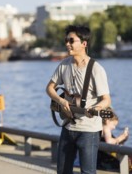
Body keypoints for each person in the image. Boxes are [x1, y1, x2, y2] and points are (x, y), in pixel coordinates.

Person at [46, 25, 111, 174]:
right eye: (66, 40)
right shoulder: (64, 65)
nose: (67, 44)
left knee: (87, 172)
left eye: (71, 40)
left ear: (84, 44)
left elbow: (106, 99)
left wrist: (97, 109)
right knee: (62, 171)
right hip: (68, 127)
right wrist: (61, 101)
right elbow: (49, 88)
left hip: (89, 131)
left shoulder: (96, 69)